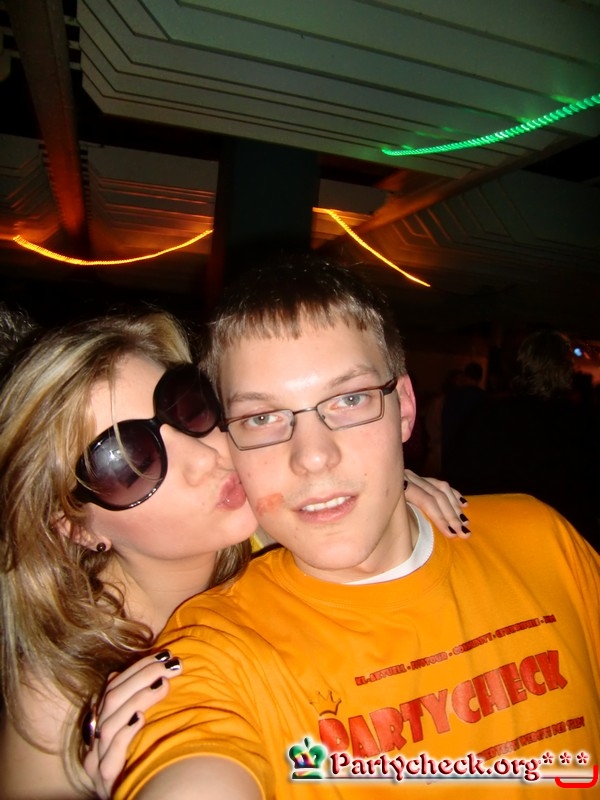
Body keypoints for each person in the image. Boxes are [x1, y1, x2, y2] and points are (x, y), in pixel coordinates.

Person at [115, 257, 600, 800]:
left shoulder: (541, 538)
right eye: (262, 417)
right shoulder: (214, 649)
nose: (313, 456)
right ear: (231, 444)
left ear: (405, 408)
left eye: (349, 399)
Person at [0, 307, 467, 800]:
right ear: (73, 525)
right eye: (129, 461)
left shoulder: (281, 542)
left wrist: (378, 492)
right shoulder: (62, 687)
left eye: (186, 407)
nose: (205, 457)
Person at [446, 330, 600, 550]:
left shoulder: (489, 415)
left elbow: (460, 478)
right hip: (561, 542)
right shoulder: (583, 423)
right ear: (566, 369)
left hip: (501, 539)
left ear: (521, 365)